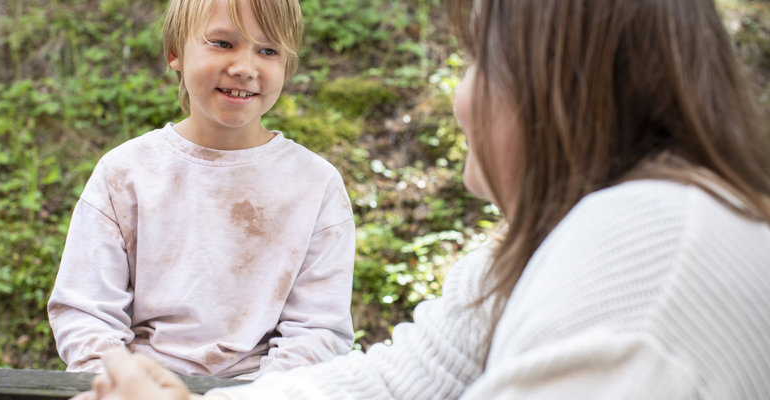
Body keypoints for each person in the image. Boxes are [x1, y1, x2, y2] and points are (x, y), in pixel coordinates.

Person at [70, 0, 770, 398]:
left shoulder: (637, 277)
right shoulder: (581, 236)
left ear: (558, 83)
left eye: (476, 60)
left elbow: (324, 339)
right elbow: (414, 373)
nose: (458, 96)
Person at [48, 0, 356, 380]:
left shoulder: (315, 183)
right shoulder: (125, 173)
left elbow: (318, 329)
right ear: (175, 52)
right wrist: (122, 383)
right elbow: (87, 314)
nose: (245, 68)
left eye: (268, 50)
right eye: (223, 43)